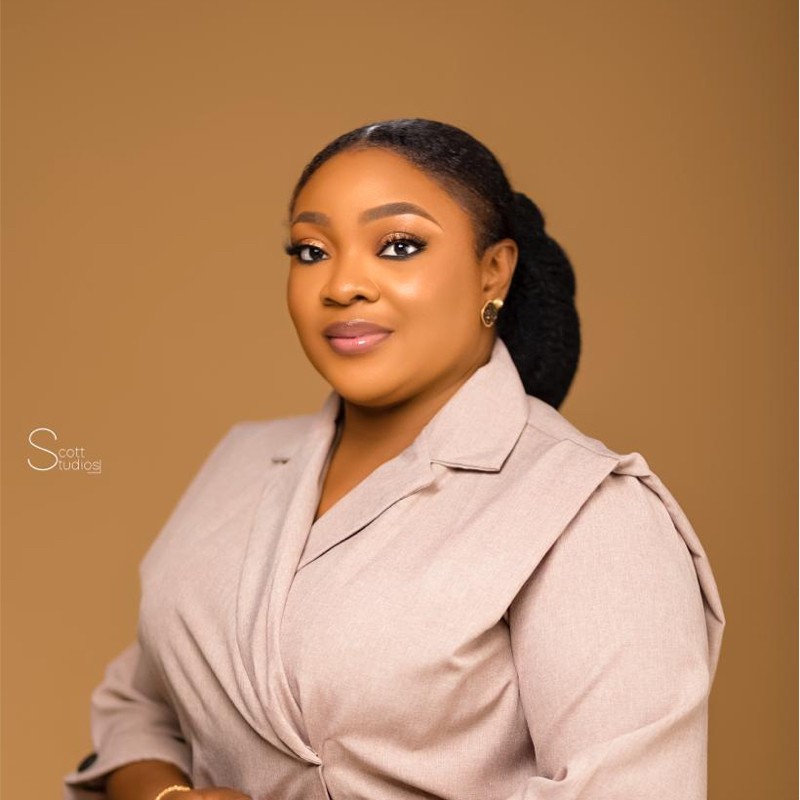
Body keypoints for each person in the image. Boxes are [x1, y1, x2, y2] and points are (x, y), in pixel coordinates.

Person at [64, 118, 726, 800]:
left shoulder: (587, 511)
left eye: (399, 245)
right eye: (311, 250)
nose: (343, 284)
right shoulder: (241, 459)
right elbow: (139, 706)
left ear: (493, 271)